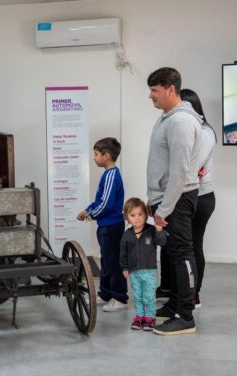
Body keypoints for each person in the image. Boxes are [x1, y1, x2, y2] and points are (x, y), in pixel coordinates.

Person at [146, 67, 201, 335]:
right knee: (171, 254)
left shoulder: (181, 122)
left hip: (177, 200)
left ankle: (185, 315)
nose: (150, 95)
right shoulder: (167, 118)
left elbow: (179, 172)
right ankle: (174, 305)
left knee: (182, 254)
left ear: (170, 89)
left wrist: (164, 209)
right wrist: (153, 201)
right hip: (166, 199)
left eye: (154, 90)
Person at [77, 137, 126, 312]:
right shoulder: (107, 174)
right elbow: (100, 200)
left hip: (111, 227)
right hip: (105, 226)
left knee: (113, 263)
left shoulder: (112, 175)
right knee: (106, 260)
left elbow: (106, 204)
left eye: (96, 154)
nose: (94, 157)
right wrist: (87, 210)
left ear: (106, 156)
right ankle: (105, 293)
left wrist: (89, 216)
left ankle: (119, 297)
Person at [180, 88, 216, 308]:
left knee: (193, 246)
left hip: (200, 197)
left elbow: (192, 167)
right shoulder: (188, 129)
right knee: (184, 247)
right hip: (187, 194)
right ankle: (183, 291)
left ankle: (194, 294)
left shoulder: (204, 131)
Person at [120, 198, 166, 331]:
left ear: (146, 215)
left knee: (149, 296)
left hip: (150, 271)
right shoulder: (126, 235)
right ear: (127, 217)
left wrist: (159, 230)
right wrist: (125, 267)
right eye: (133, 215)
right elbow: (123, 254)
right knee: (138, 296)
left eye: (140, 214)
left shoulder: (151, 231)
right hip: (134, 272)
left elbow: (162, 242)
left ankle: (150, 317)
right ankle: (139, 316)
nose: (137, 218)